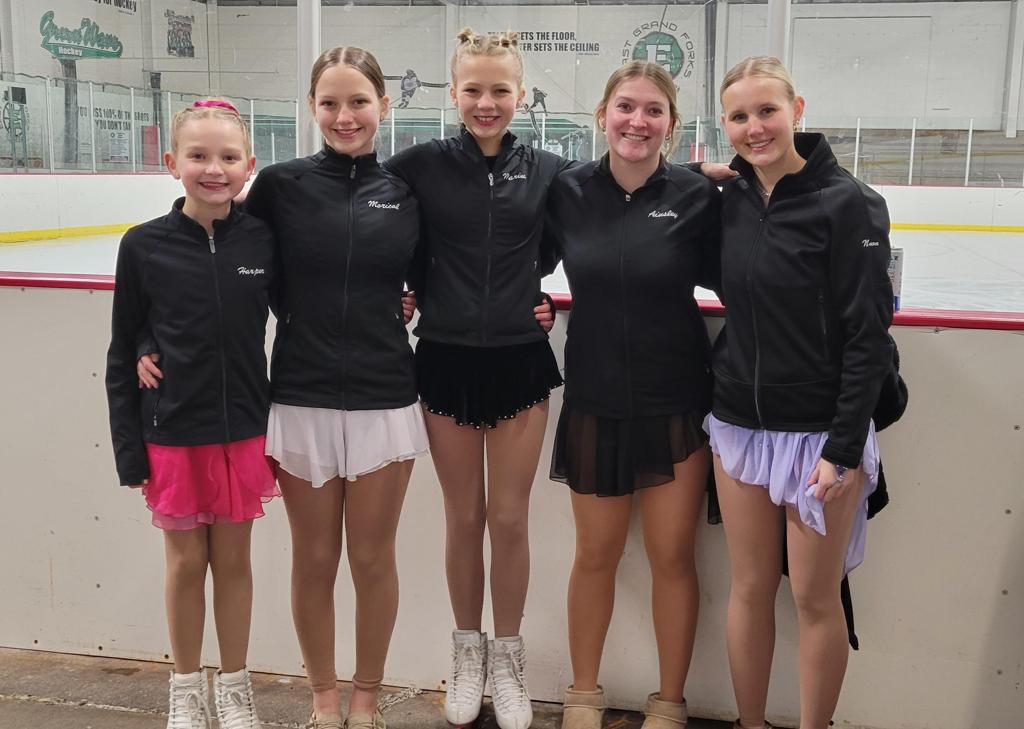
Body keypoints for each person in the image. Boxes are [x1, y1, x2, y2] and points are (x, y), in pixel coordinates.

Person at [141, 48, 428, 729]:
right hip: (299, 396)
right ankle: (323, 699)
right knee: (315, 559)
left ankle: (367, 699)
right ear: (312, 108)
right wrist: (146, 335)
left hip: (386, 398)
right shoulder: (279, 186)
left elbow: (450, 269)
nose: (344, 116)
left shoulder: (407, 191)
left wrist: (529, 301)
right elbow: (206, 253)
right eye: (330, 103)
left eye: (358, 102)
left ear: (383, 106)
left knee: (373, 560)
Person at [384, 27, 564, 729]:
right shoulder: (417, 166)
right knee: (462, 516)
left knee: (509, 517)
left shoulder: (549, 170)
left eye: (500, 90)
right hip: (446, 359)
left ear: (521, 94)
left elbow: (575, 233)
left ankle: (508, 659)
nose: (486, 103)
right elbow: (365, 220)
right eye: (473, 90)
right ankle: (467, 652)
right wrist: (399, 291)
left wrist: (714, 175)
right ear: (453, 93)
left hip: (519, 359)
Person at [709, 56, 893, 729]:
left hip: (819, 436)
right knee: (749, 589)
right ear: (724, 124)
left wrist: (842, 448)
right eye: (739, 116)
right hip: (739, 426)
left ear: (798, 110)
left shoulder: (849, 203)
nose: (755, 127)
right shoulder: (727, 203)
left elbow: (867, 338)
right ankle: (750, 723)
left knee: (815, 600)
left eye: (767, 110)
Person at [543, 61, 721, 729]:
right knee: (595, 556)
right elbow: (510, 259)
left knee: (673, 557)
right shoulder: (567, 191)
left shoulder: (698, 195)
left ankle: (669, 701)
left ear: (671, 125)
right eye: (625, 106)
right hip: (594, 399)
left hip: (677, 401)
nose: (637, 121)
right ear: (602, 115)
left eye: (653, 110)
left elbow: (748, 271)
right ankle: (583, 694)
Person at [106, 99, 276, 729]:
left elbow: (310, 305)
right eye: (199, 156)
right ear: (172, 162)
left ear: (249, 165)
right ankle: (184, 687)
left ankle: (234, 686)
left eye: (228, 157)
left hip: (243, 431)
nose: (214, 169)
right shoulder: (143, 246)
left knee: (234, 565)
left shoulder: (262, 239)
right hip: (174, 432)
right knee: (184, 565)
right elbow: (123, 348)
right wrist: (129, 451)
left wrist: (395, 301)